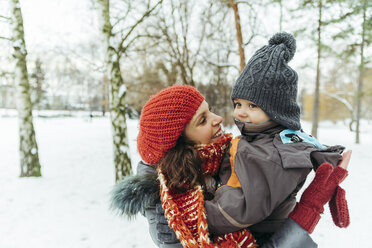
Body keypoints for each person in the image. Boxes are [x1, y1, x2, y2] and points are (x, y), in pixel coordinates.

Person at [111, 85, 351, 247]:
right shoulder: (170, 215)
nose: (218, 119)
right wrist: (311, 205)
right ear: (180, 144)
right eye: (203, 120)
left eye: (209, 110)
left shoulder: (224, 158)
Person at [201, 32, 347, 245]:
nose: (240, 112)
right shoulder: (258, 139)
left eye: (252, 106)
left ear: (277, 110)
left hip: (257, 237)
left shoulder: (274, 154)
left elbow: (239, 210)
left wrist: (195, 212)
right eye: (238, 104)